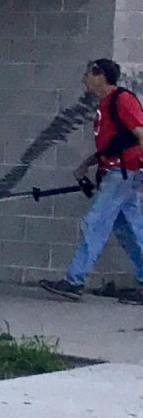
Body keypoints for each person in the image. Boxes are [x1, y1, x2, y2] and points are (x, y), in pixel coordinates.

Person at [42, 56, 143, 300]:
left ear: (99, 75)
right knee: (129, 228)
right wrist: (88, 164)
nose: (84, 78)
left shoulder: (122, 100)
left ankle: (74, 280)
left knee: (94, 222)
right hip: (119, 171)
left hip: (123, 172)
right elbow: (114, 143)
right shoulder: (106, 104)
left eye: (87, 73)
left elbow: (140, 135)